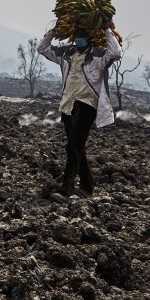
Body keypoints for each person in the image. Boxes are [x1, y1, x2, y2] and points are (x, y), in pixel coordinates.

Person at [38, 20, 121, 203]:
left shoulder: (99, 56)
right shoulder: (66, 54)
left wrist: (107, 29)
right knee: (77, 146)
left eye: (83, 36)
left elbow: (115, 52)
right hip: (67, 104)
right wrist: (54, 30)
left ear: (90, 39)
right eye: (77, 36)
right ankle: (87, 185)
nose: (79, 39)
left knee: (73, 145)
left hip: (87, 104)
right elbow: (42, 49)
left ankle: (66, 189)